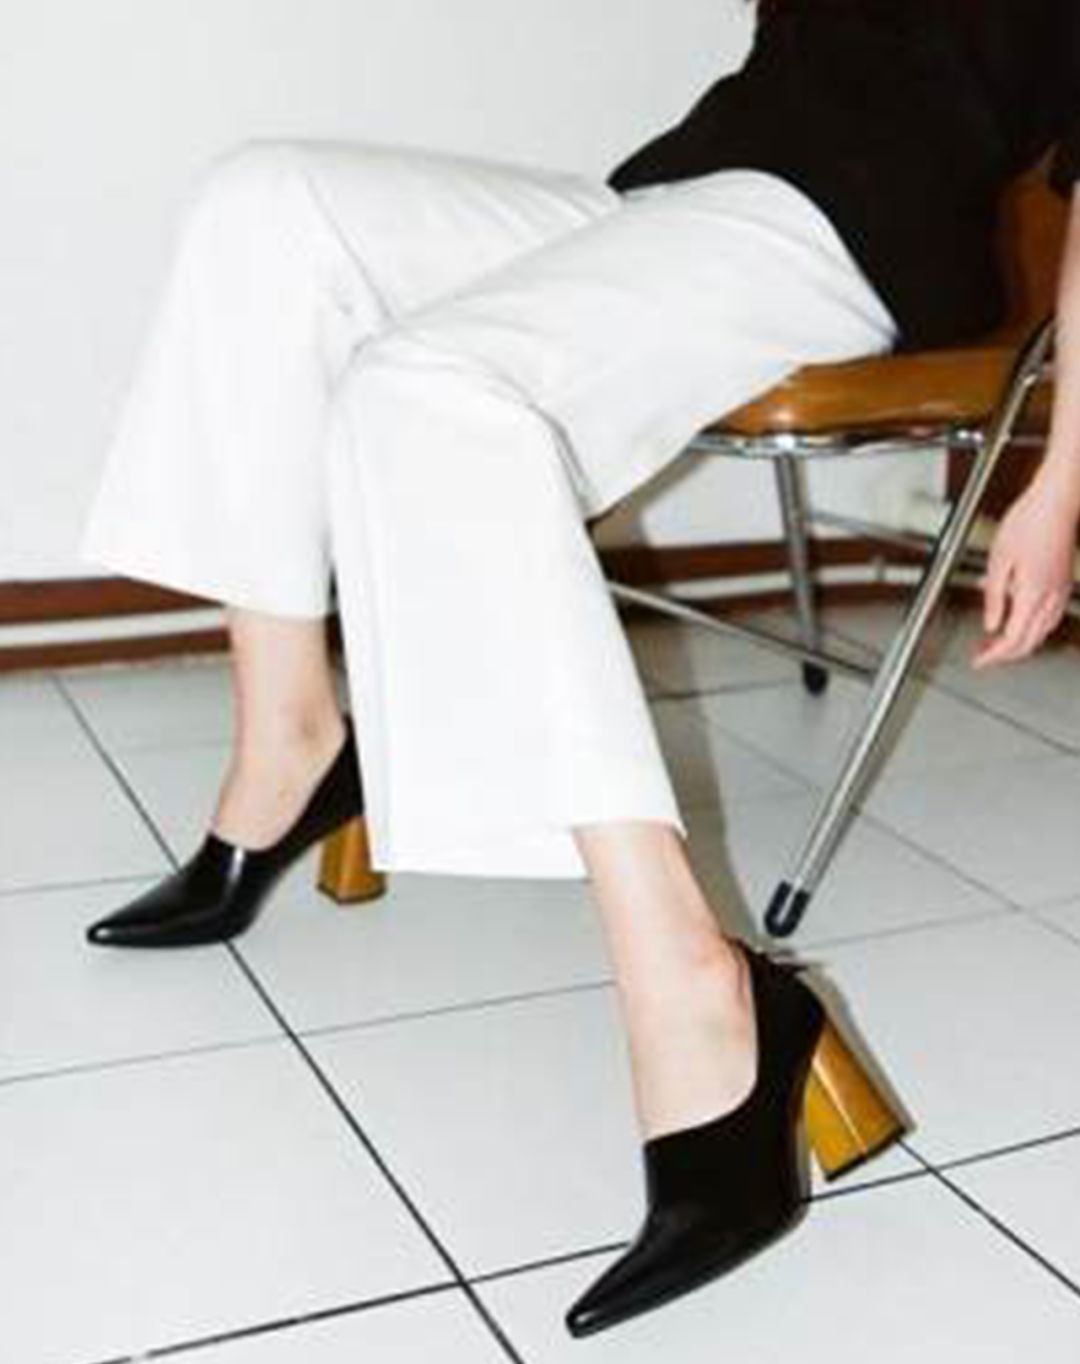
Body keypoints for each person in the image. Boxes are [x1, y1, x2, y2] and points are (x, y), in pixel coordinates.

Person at [75, 0, 1079, 1339]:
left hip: (849, 238)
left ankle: (701, 993)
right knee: (265, 203)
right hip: (673, 193)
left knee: (428, 386)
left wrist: (1060, 484)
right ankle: (292, 742)